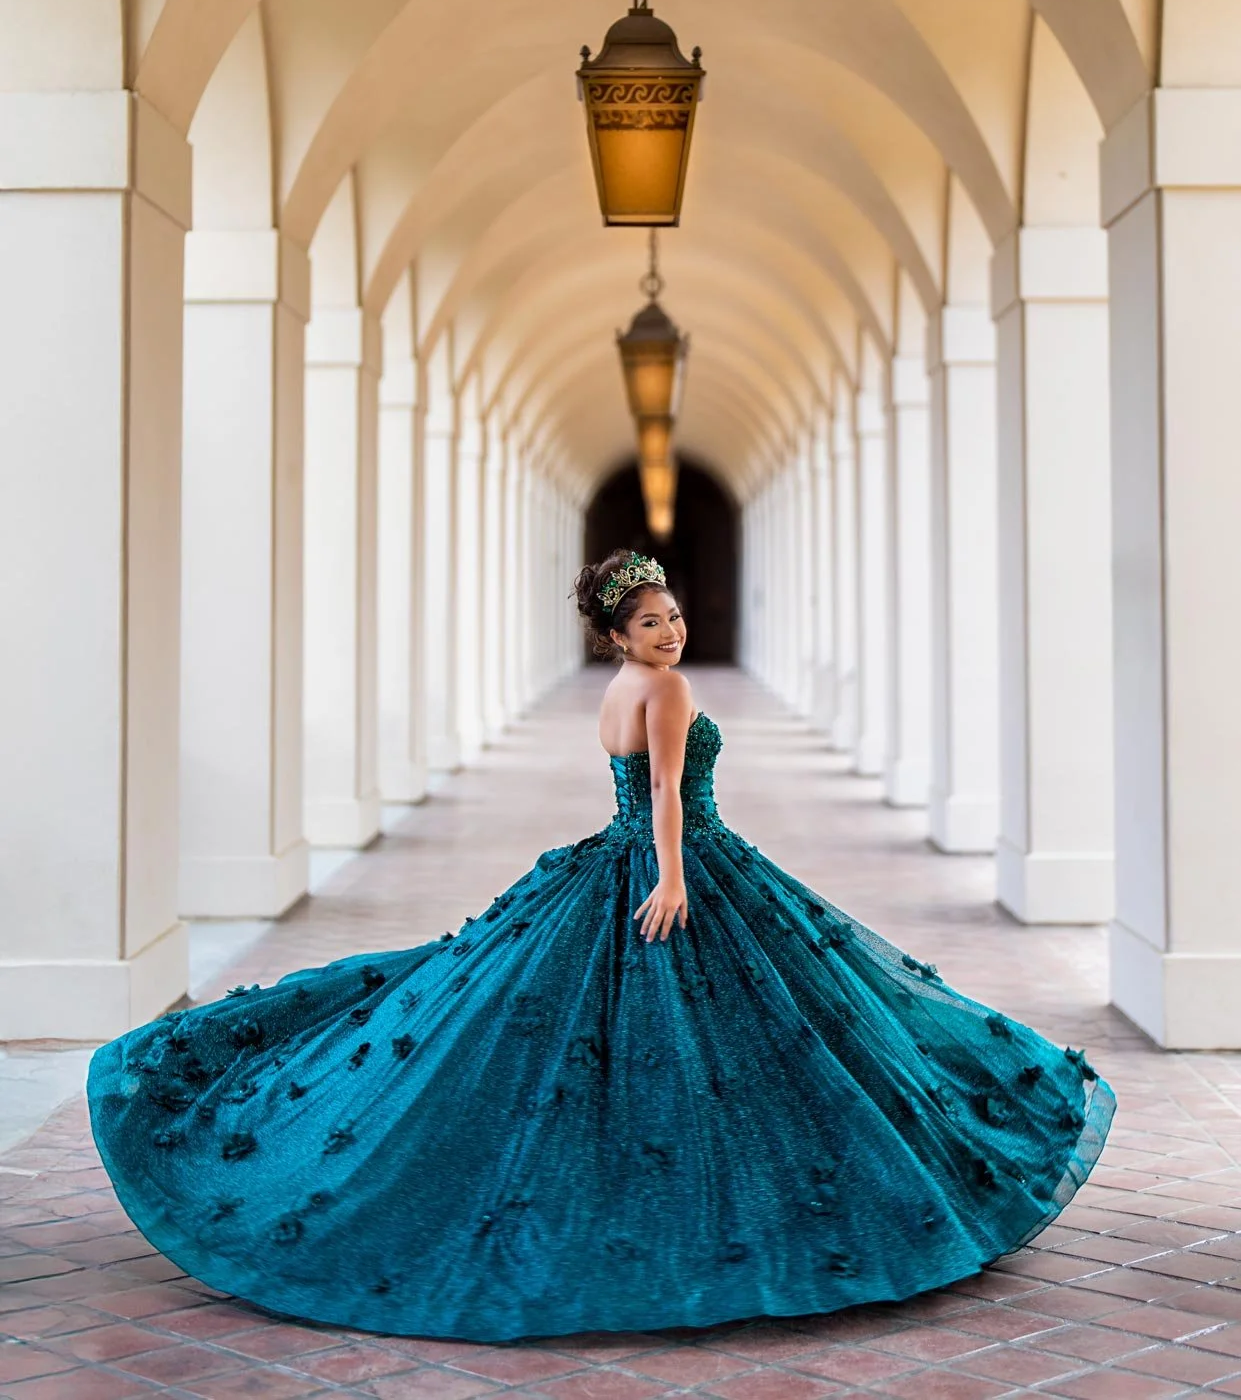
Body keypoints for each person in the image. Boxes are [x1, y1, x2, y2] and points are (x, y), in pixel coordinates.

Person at [88, 549, 1113, 1342]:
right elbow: (667, 790)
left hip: (608, 861)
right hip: (677, 860)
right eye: (650, 621)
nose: (669, 632)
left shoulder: (617, 689)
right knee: (787, 1031)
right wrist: (672, 875)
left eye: (673, 616)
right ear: (618, 633)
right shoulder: (662, 691)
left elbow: (634, 785)